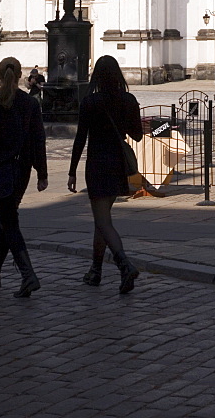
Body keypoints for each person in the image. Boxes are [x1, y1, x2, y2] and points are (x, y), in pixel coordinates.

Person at [68, 55, 143, 294]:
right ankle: (96, 271)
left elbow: (81, 138)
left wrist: (72, 172)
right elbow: (138, 135)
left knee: (102, 221)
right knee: (101, 221)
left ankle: (124, 265)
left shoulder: (90, 101)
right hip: (118, 163)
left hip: (98, 162)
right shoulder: (128, 99)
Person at [0, 56, 48, 298]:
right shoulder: (29, 104)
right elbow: (39, 139)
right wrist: (42, 173)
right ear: (20, 75)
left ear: (0, 75)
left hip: (0, 167)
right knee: (7, 219)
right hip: (22, 170)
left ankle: (28, 275)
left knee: (9, 222)